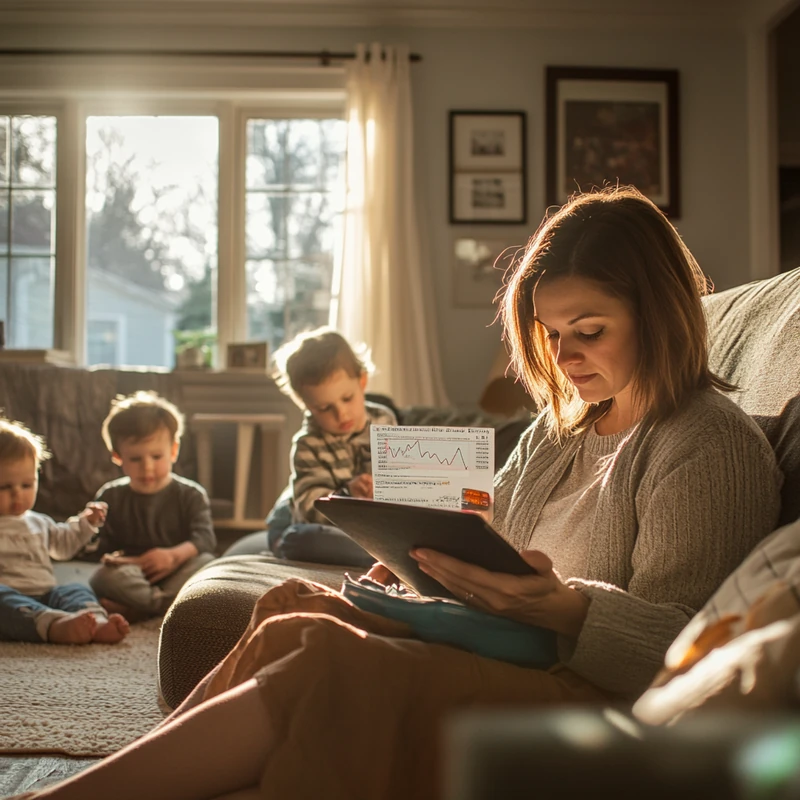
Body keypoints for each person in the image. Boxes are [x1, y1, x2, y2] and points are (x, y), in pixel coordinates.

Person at [14, 186, 783, 800]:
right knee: (291, 609)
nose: (565, 355)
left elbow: (683, 653)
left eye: (589, 329)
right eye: (550, 333)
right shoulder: (566, 428)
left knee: (324, 662)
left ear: (661, 315)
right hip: (502, 641)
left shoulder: (707, 444)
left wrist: (565, 608)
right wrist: (415, 559)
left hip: (573, 686)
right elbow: (485, 528)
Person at [87, 391, 216, 621]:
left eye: (156, 457)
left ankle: (141, 609)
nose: (147, 468)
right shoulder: (111, 496)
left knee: (208, 565)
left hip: (178, 567)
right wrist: (90, 530)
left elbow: (205, 539)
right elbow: (102, 547)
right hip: (135, 572)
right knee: (101, 578)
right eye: (136, 459)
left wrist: (172, 556)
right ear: (118, 457)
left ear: (173, 451)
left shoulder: (191, 494)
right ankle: (165, 606)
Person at [0, 418, 129, 645]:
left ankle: (95, 623)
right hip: (11, 601)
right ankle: (54, 626)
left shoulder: (39, 522)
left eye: (27, 485)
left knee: (75, 589)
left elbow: (63, 546)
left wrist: (85, 523)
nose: (18, 495)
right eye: (5, 487)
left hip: (46, 593)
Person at [273, 327, 397, 524]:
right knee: (301, 534)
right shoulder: (309, 444)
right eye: (324, 408)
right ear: (306, 405)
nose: (341, 414)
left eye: (347, 399)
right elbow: (309, 508)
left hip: (369, 524)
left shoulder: (384, 421)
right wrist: (347, 494)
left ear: (362, 381)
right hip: (317, 521)